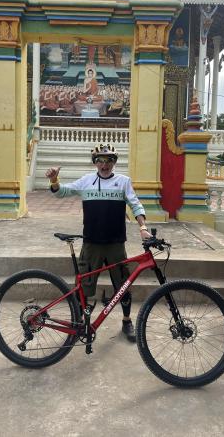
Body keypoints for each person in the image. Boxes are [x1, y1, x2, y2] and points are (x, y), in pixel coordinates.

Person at [45, 143, 152, 342]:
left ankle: (127, 321)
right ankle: (79, 324)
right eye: (100, 161)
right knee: (84, 286)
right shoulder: (86, 181)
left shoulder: (123, 182)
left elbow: (135, 204)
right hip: (92, 243)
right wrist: (54, 180)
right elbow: (62, 192)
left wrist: (143, 227)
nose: (104, 165)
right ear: (95, 162)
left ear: (114, 162)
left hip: (116, 243)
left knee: (123, 284)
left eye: (109, 160)